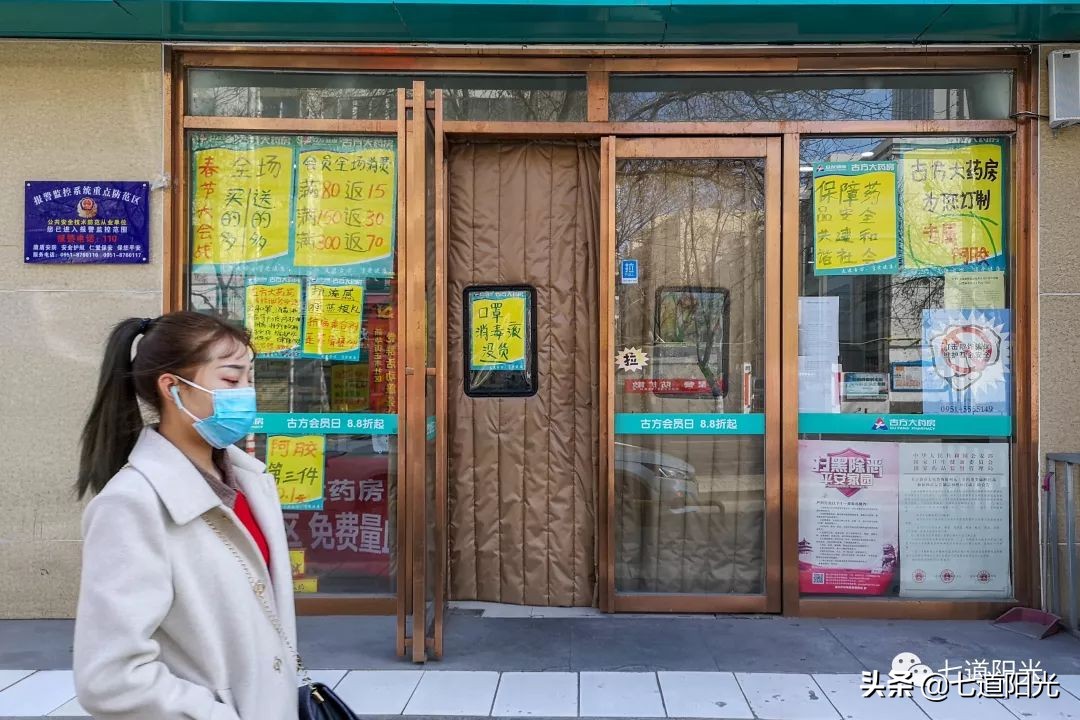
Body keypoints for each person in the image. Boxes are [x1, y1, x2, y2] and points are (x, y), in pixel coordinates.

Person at [73, 312, 299, 720]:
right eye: (231, 379)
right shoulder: (132, 504)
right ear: (172, 387)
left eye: (249, 379)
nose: (246, 393)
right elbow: (110, 678)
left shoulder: (251, 482)